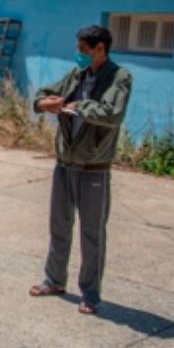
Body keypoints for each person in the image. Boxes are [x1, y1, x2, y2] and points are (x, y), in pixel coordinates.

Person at [29, 25, 133, 315]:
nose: (78, 54)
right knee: (59, 226)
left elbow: (112, 113)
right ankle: (54, 281)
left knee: (92, 234)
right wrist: (44, 103)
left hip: (93, 167)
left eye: (83, 49)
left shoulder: (119, 77)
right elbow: (45, 94)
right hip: (65, 163)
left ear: (100, 49)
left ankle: (90, 294)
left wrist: (79, 106)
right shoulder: (77, 74)